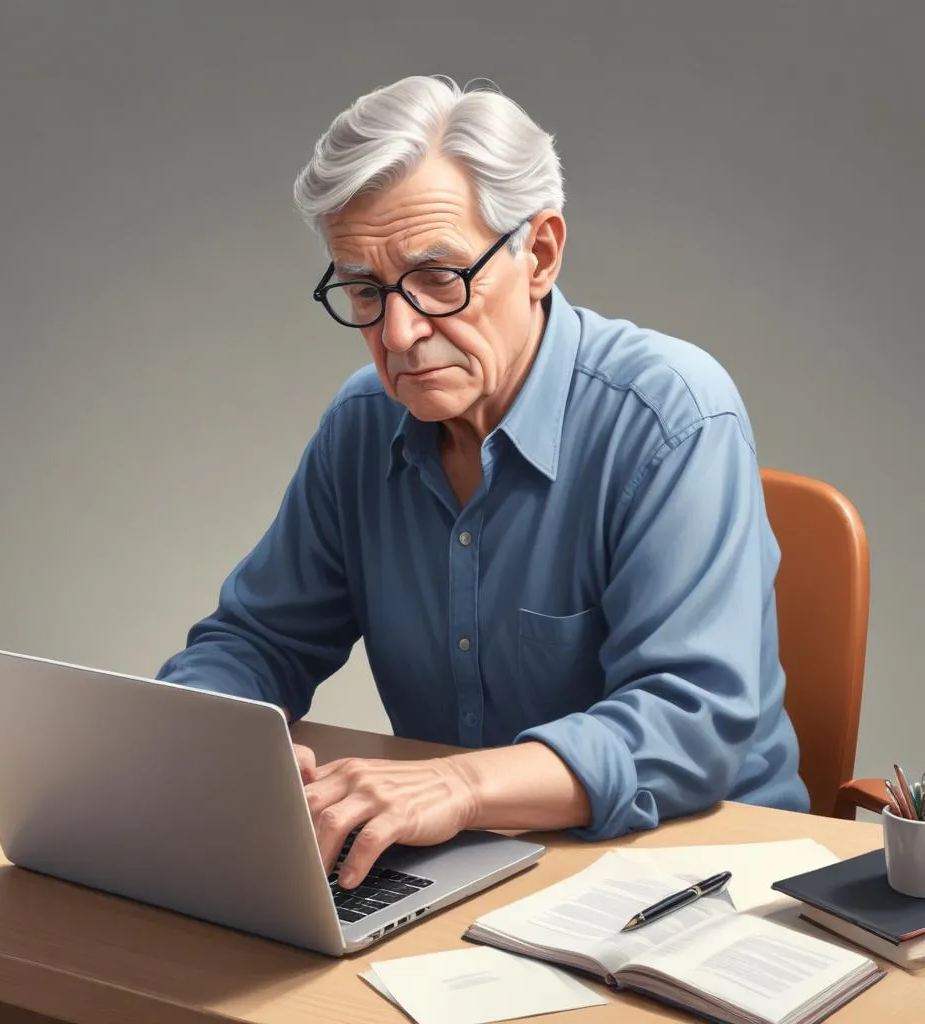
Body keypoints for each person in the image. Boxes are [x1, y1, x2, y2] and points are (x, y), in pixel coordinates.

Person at [156, 74, 810, 890]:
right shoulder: (362, 425)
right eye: (364, 289)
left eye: (439, 278)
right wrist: (216, 742)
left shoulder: (673, 413)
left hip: (702, 873)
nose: (398, 333)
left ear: (538, 254)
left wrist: (457, 786)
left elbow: (688, 723)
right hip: (468, 864)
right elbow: (256, 641)